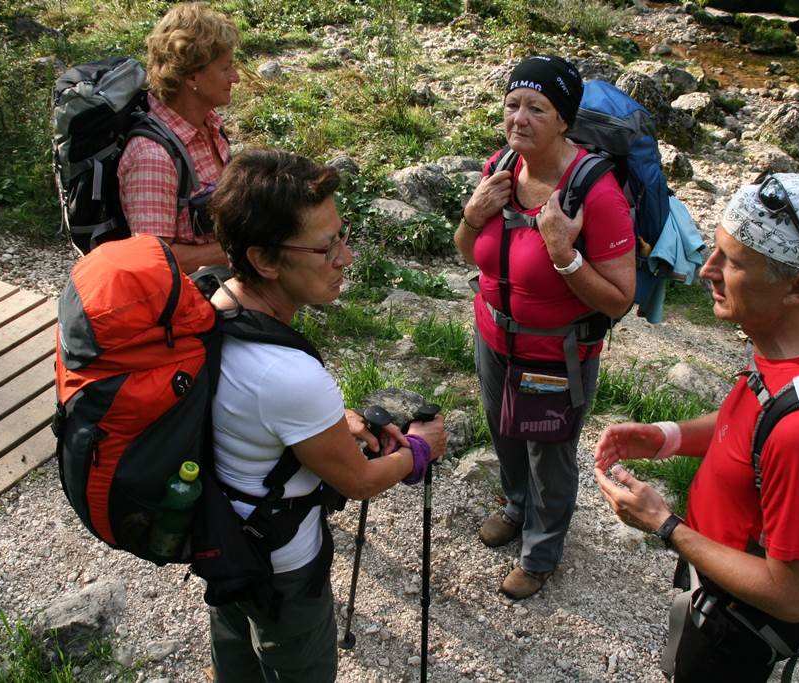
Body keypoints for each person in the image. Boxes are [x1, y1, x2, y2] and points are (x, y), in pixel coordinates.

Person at [594, 173, 799, 681]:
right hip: (718, 575)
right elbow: (753, 422)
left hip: (738, 622)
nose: (707, 270)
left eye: (734, 262)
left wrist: (664, 525)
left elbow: (791, 596)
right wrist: (668, 437)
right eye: (716, 250)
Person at [205, 149, 448, 682]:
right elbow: (358, 480)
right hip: (281, 564)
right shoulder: (287, 375)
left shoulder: (213, 303)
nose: (348, 256)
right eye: (325, 246)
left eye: (342, 235)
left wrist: (334, 423)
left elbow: (252, 411)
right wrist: (423, 448)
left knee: (235, 663)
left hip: (219, 535)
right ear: (265, 259)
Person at [455, 54, 636, 600]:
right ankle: (515, 506)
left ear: (564, 119)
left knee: (549, 453)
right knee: (505, 431)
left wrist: (563, 251)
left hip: (556, 355)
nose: (520, 118)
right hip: (495, 336)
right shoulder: (501, 169)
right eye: (513, 104)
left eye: (538, 107)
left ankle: (540, 552)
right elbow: (471, 254)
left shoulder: (595, 195)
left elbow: (621, 299)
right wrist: (472, 213)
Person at [118, 2, 238, 272]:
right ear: (192, 75)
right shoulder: (152, 157)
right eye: (225, 68)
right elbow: (155, 260)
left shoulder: (209, 124)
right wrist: (237, 250)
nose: (236, 77)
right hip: (189, 301)